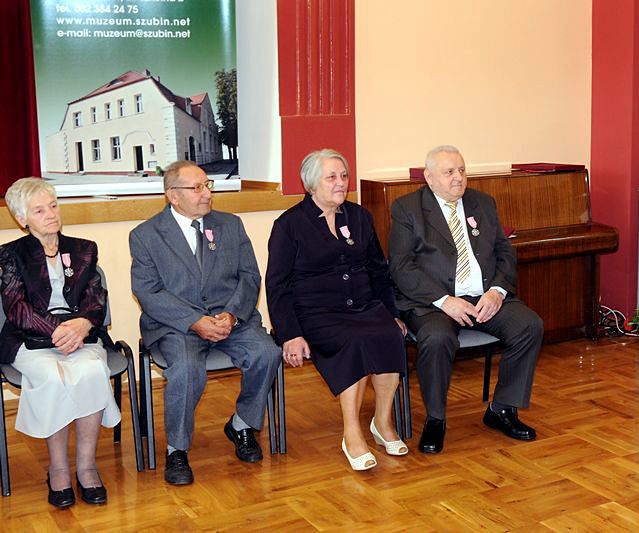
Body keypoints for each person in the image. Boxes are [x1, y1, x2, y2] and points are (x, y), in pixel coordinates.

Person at [130, 161, 280, 486]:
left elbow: (250, 276)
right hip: (177, 325)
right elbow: (148, 291)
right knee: (185, 369)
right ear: (173, 195)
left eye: (207, 185)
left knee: (266, 354)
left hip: (230, 320)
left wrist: (232, 314)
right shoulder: (145, 236)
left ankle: (241, 424)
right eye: (196, 188)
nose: (207, 193)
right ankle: (177, 450)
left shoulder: (230, 225)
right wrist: (193, 321)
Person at [388, 145, 544, 454]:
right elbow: (401, 267)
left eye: (461, 170)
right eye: (449, 173)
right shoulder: (408, 209)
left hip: (483, 296)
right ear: (429, 178)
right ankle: (436, 418)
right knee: (436, 338)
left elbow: (505, 253)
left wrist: (497, 292)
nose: (458, 178)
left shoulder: (482, 203)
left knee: (529, 325)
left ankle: (502, 409)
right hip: (433, 302)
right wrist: (444, 300)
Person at [266, 149, 408, 471]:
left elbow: (378, 270)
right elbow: (277, 285)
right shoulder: (289, 225)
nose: (341, 183)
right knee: (353, 342)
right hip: (317, 313)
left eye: (344, 176)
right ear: (311, 184)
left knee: (389, 335)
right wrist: (290, 334)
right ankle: (352, 433)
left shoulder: (358, 217)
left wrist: (391, 312)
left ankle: (382, 423)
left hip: (364, 305)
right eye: (332, 177)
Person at [0, 178, 120, 508]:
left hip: (82, 336)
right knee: (55, 377)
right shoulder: (10, 255)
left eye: (53, 205)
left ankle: (86, 467)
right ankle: (58, 469)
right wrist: (60, 330)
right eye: (40, 210)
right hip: (30, 340)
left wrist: (81, 325)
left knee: (92, 371)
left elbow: (96, 298)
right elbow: (17, 309)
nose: (51, 214)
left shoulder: (83, 248)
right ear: (22, 219)